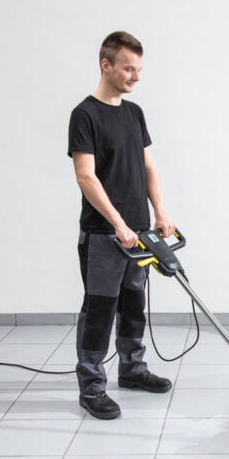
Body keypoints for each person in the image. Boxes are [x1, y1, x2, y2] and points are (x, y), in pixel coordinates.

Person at [67, 31, 175, 419]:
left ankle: (132, 370)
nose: (136, 77)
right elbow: (85, 175)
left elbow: (148, 166)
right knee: (99, 310)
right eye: (129, 68)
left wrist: (160, 212)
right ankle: (92, 387)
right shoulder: (85, 115)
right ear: (106, 65)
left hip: (140, 232)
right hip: (104, 235)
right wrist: (117, 223)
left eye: (139, 69)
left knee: (133, 306)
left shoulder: (134, 113)